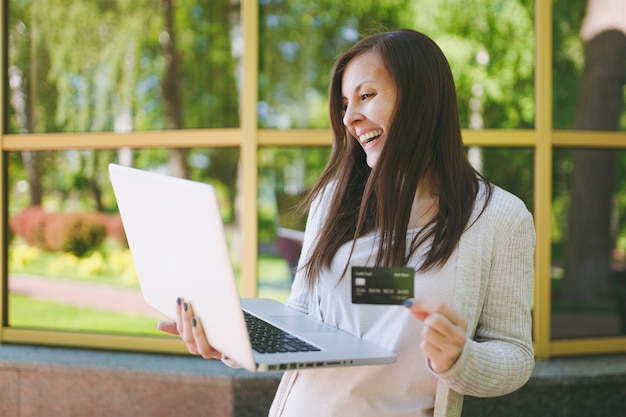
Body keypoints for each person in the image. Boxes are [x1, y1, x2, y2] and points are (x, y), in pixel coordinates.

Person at [157, 28, 536, 417]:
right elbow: (303, 315)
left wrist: (462, 358)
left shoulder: (499, 218)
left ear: (422, 99)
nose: (350, 117)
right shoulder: (333, 200)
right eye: (344, 103)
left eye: (366, 96)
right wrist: (235, 340)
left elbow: (516, 356)